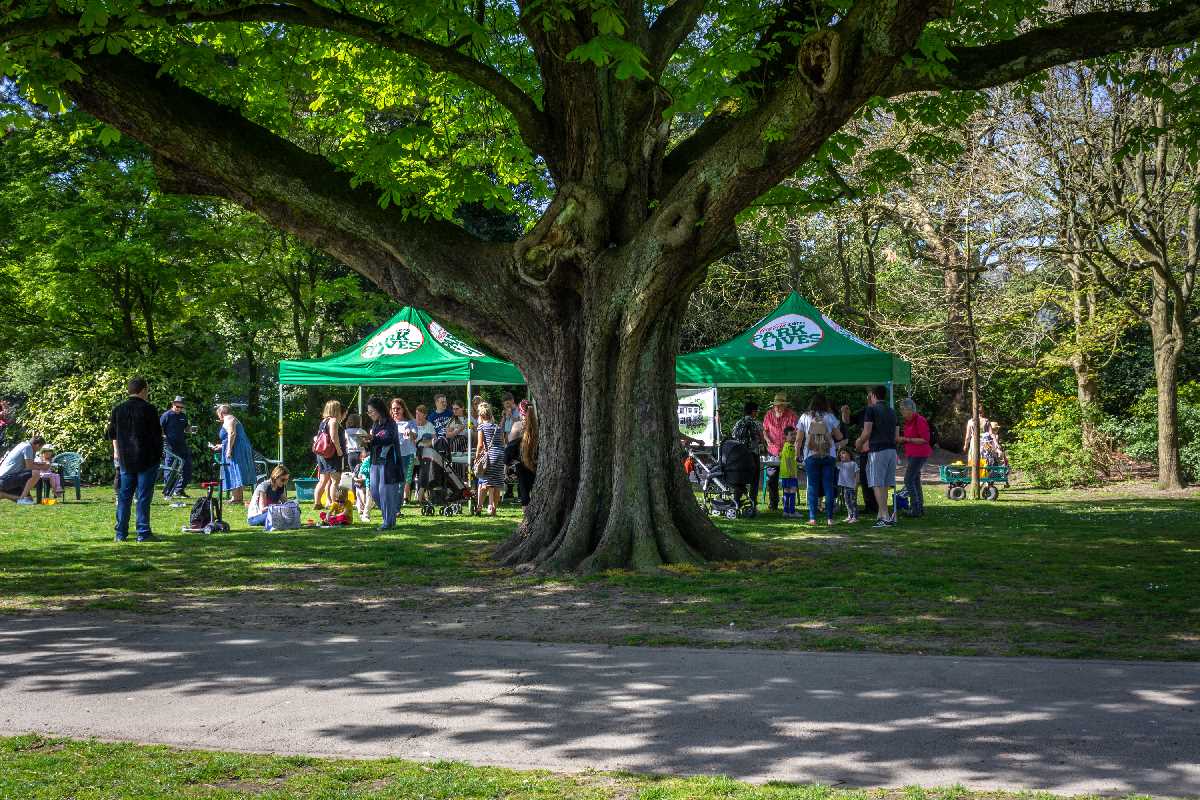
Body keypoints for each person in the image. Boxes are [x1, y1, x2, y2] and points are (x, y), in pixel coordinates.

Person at [107, 377, 163, 541]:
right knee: (143, 496)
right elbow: (156, 436)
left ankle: (121, 533)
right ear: (143, 390)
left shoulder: (118, 409)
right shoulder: (149, 409)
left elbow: (112, 434)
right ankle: (143, 532)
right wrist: (158, 455)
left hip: (126, 459)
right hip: (147, 458)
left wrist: (117, 452)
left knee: (124, 497)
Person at [854, 385, 899, 528]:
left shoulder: (871, 410)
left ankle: (885, 516)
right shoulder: (892, 412)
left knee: (876, 483)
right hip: (892, 450)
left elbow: (866, 432)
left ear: (873, 395)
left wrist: (859, 443)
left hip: (877, 451)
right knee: (885, 484)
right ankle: (881, 515)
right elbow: (897, 436)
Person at [797, 393, 843, 526]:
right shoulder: (829, 416)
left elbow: (799, 439)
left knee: (812, 486)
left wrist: (797, 454)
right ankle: (830, 519)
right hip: (829, 455)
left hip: (810, 455)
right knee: (828, 485)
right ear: (825, 403)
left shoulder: (804, 417)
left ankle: (813, 518)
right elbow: (839, 436)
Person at [367, 396, 402, 529]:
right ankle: (390, 516)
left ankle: (388, 522)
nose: (369, 414)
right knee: (375, 491)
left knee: (385, 492)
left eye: (371, 411)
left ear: (379, 410)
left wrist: (373, 439)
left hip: (389, 463)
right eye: (368, 412)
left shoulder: (390, 424)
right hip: (375, 461)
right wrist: (367, 442)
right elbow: (374, 443)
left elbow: (388, 439)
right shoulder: (375, 424)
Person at [840, 402, 880, 517]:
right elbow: (847, 421)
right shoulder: (864, 412)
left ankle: (877, 506)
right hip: (865, 451)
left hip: (876, 450)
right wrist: (845, 412)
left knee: (875, 479)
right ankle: (870, 506)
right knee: (864, 478)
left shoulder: (881, 412)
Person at [211, 404, 255, 505]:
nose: (218, 417)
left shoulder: (229, 418)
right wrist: (222, 446)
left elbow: (232, 434)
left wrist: (229, 450)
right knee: (236, 470)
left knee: (234, 470)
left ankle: (236, 498)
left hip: (237, 449)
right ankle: (237, 498)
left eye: (218, 414)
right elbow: (230, 438)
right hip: (237, 447)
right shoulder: (230, 419)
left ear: (221, 413)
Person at [762, 392, 799, 511]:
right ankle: (774, 503)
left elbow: (797, 433)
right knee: (772, 478)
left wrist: (792, 444)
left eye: (780, 405)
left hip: (787, 451)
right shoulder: (769, 415)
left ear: (785, 405)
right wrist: (767, 441)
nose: (777, 407)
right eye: (776, 405)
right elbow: (764, 430)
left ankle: (787, 504)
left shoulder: (792, 415)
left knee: (788, 478)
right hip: (773, 451)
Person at [898, 398, 932, 518]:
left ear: (910, 409)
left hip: (920, 454)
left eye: (903, 410)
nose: (902, 412)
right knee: (915, 480)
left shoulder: (920, 420)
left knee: (908, 480)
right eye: (901, 410)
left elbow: (925, 439)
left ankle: (915, 508)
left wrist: (906, 440)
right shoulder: (908, 421)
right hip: (912, 454)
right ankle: (919, 508)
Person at [731, 401, 767, 506]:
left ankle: (736, 500)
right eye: (756, 411)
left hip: (740, 455)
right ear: (753, 411)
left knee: (740, 477)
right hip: (753, 454)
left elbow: (733, 436)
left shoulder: (738, 423)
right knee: (754, 480)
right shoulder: (756, 423)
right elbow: (762, 438)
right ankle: (752, 502)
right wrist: (765, 447)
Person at [313, 400, 345, 511]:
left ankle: (318, 502)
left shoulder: (324, 421)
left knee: (323, 479)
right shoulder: (333, 421)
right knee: (335, 480)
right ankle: (334, 504)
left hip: (321, 453)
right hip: (332, 453)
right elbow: (333, 437)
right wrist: (339, 450)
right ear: (336, 410)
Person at [159, 395, 193, 499]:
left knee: (187, 467)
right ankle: (167, 492)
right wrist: (163, 436)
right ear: (173, 404)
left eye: (181, 407)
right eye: (177, 407)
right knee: (170, 469)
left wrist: (190, 429)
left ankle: (179, 490)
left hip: (182, 445)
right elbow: (158, 428)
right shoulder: (166, 415)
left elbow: (186, 428)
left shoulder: (183, 416)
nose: (179, 409)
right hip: (170, 446)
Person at [475, 402, 505, 515]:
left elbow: (480, 445)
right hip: (500, 456)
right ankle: (493, 509)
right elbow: (502, 442)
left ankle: (479, 507)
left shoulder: (481, 427)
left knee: (483, 482)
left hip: (489, 457)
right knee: (496, 484)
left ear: (481, 415)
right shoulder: (497, 427)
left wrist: (477, 457)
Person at [0, 434, 47, 505]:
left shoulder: (23, 444)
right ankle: (21, 498)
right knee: (36, 473)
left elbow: (29, 463)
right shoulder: (28, 447)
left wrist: (41, 464)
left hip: (6, 479)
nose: (40, 450)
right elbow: (29, 467)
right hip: (5, 479)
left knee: (30, 500)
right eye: (41, 447)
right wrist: (44, 467)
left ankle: (4, 495)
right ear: (37, 445)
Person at [509, 399, 538, 514]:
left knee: (524, 491)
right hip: (536, 461)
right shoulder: (538, 426)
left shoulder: (517, 426)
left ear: (521, 412)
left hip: (521, 462)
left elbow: (510, 445)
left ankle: (526, 517)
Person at [390, 397, 417, 503]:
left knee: (403, 481)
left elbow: (414, 435)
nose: (395, 411)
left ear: (403, 409)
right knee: (392, 480)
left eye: (398, 408)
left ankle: (397, 504)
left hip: (407, 455)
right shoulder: (389, 423)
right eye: (393, 408)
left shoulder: (410, 422)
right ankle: (393, 502)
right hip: (392, 455)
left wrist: (409, 432)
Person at [411, 404, 437, 502]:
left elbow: (435, 439)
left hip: (425, 453)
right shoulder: (412, 424)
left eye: (419, 414)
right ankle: (407, 497)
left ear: (425, 415)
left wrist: (427, 444)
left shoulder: (429, 425)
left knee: (424, 472)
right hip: (413, 452)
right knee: (411, 475)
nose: (417, 416)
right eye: (416, 414)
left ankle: (421, 495)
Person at [779, 426, 799, 519]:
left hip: (784, 474)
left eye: (794, 434)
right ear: (786, 436)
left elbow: (783, 457)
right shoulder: (791, 447)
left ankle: (786, 511)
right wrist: (792, 472)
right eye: (791, 435)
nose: (794, 436)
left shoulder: (785, 446)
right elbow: (788, 460)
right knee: (792, 491)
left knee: (786, 492)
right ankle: (792, 511)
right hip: (790, 473)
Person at [837, 447, 860, 523]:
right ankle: (850, 516)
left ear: (849, 454)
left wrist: (856, 485)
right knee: (847, 502)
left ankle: (855, 517)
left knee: (853, 502)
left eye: (843, 453)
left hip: (852, 487)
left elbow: (857, 474)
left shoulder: (853, 464)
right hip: (845, 487)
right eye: (840, 455)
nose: (842, 455)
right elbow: (834, 462)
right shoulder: (840, 464)